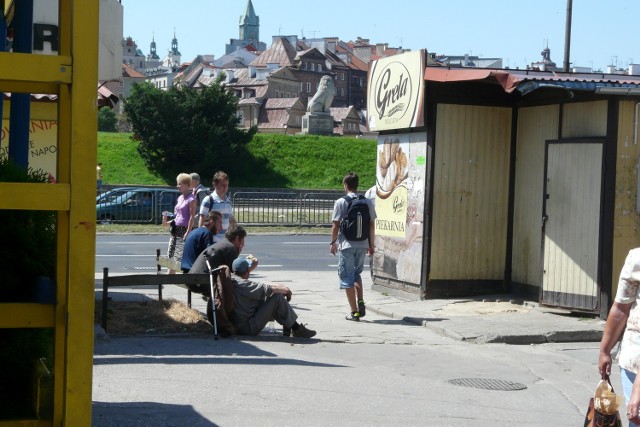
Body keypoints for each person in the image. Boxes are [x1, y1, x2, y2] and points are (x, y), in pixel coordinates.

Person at [599, 248, 640, 426]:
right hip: (633, 359)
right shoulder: (637, 258)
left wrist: (637, 391)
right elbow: (621, 308)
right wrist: (605, 350)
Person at [229, 256, 316, 338]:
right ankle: (296, 329)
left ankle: (288, 324)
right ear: (247, 271)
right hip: (248, 328)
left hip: (237, 325)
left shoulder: (233, 279)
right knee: (277, 298)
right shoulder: (244, 285)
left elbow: (260, 287)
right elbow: (267, 289)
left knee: (268, 297)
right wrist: (286, 290)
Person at [329, 172, 376, 322]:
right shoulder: (367, 202)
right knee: (357, 274)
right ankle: (360, 300)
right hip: (363, 244)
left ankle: (354, 312)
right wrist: (371, 245)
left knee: (346, 278)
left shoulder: (341, 202)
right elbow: (372, 224)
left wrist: (333, 243)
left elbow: (336, 225)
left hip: (347, 244)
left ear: (345, 185)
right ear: (357, 185)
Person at [188, 225, 258, 294]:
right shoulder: (229, 248)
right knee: (239, 288)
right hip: (204, 282)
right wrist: (251, 267)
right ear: (237, 238)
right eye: (242, 239)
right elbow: (238, 274)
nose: (243, 243)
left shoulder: (224, 244)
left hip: (193, 280)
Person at [165, 173, 197, 274]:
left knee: (178, 254)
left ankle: (172, 275)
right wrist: (169, 221)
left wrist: (188, 232)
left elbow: (192, 216)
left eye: (180, 184)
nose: (178, 186)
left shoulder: (191, 199)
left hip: (184, 229)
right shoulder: (180, 198)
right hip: (176, 229)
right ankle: (171, 275)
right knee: (172, 253)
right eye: (178, 184)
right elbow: (178, 215)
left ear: (187, 185)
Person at [199, 171, 236, 242]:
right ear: (215, 185)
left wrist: (237, 233)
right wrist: (201, 239)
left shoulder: (228, 201)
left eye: (227, 185)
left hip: (225, 241)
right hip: (212, 241)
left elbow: (231, 220)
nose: (225, 188)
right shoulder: (209, 200)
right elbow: (202, 220)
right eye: (223, 185)